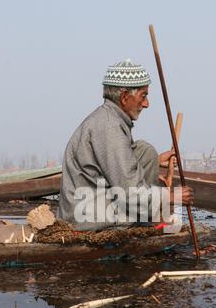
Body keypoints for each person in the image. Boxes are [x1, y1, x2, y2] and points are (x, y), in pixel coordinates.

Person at [57, 59, 193, 231]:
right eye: (143, 96)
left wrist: (156, 160)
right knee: (142, 194)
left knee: (146, 152)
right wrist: (171, 197)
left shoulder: (109, 119)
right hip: (87, 218)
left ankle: (146, 215)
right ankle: (140, 221)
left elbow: (115, 164)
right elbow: (129, 191)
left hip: (94, 202)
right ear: (124, 97)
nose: (147, 104)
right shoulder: (109, 127)